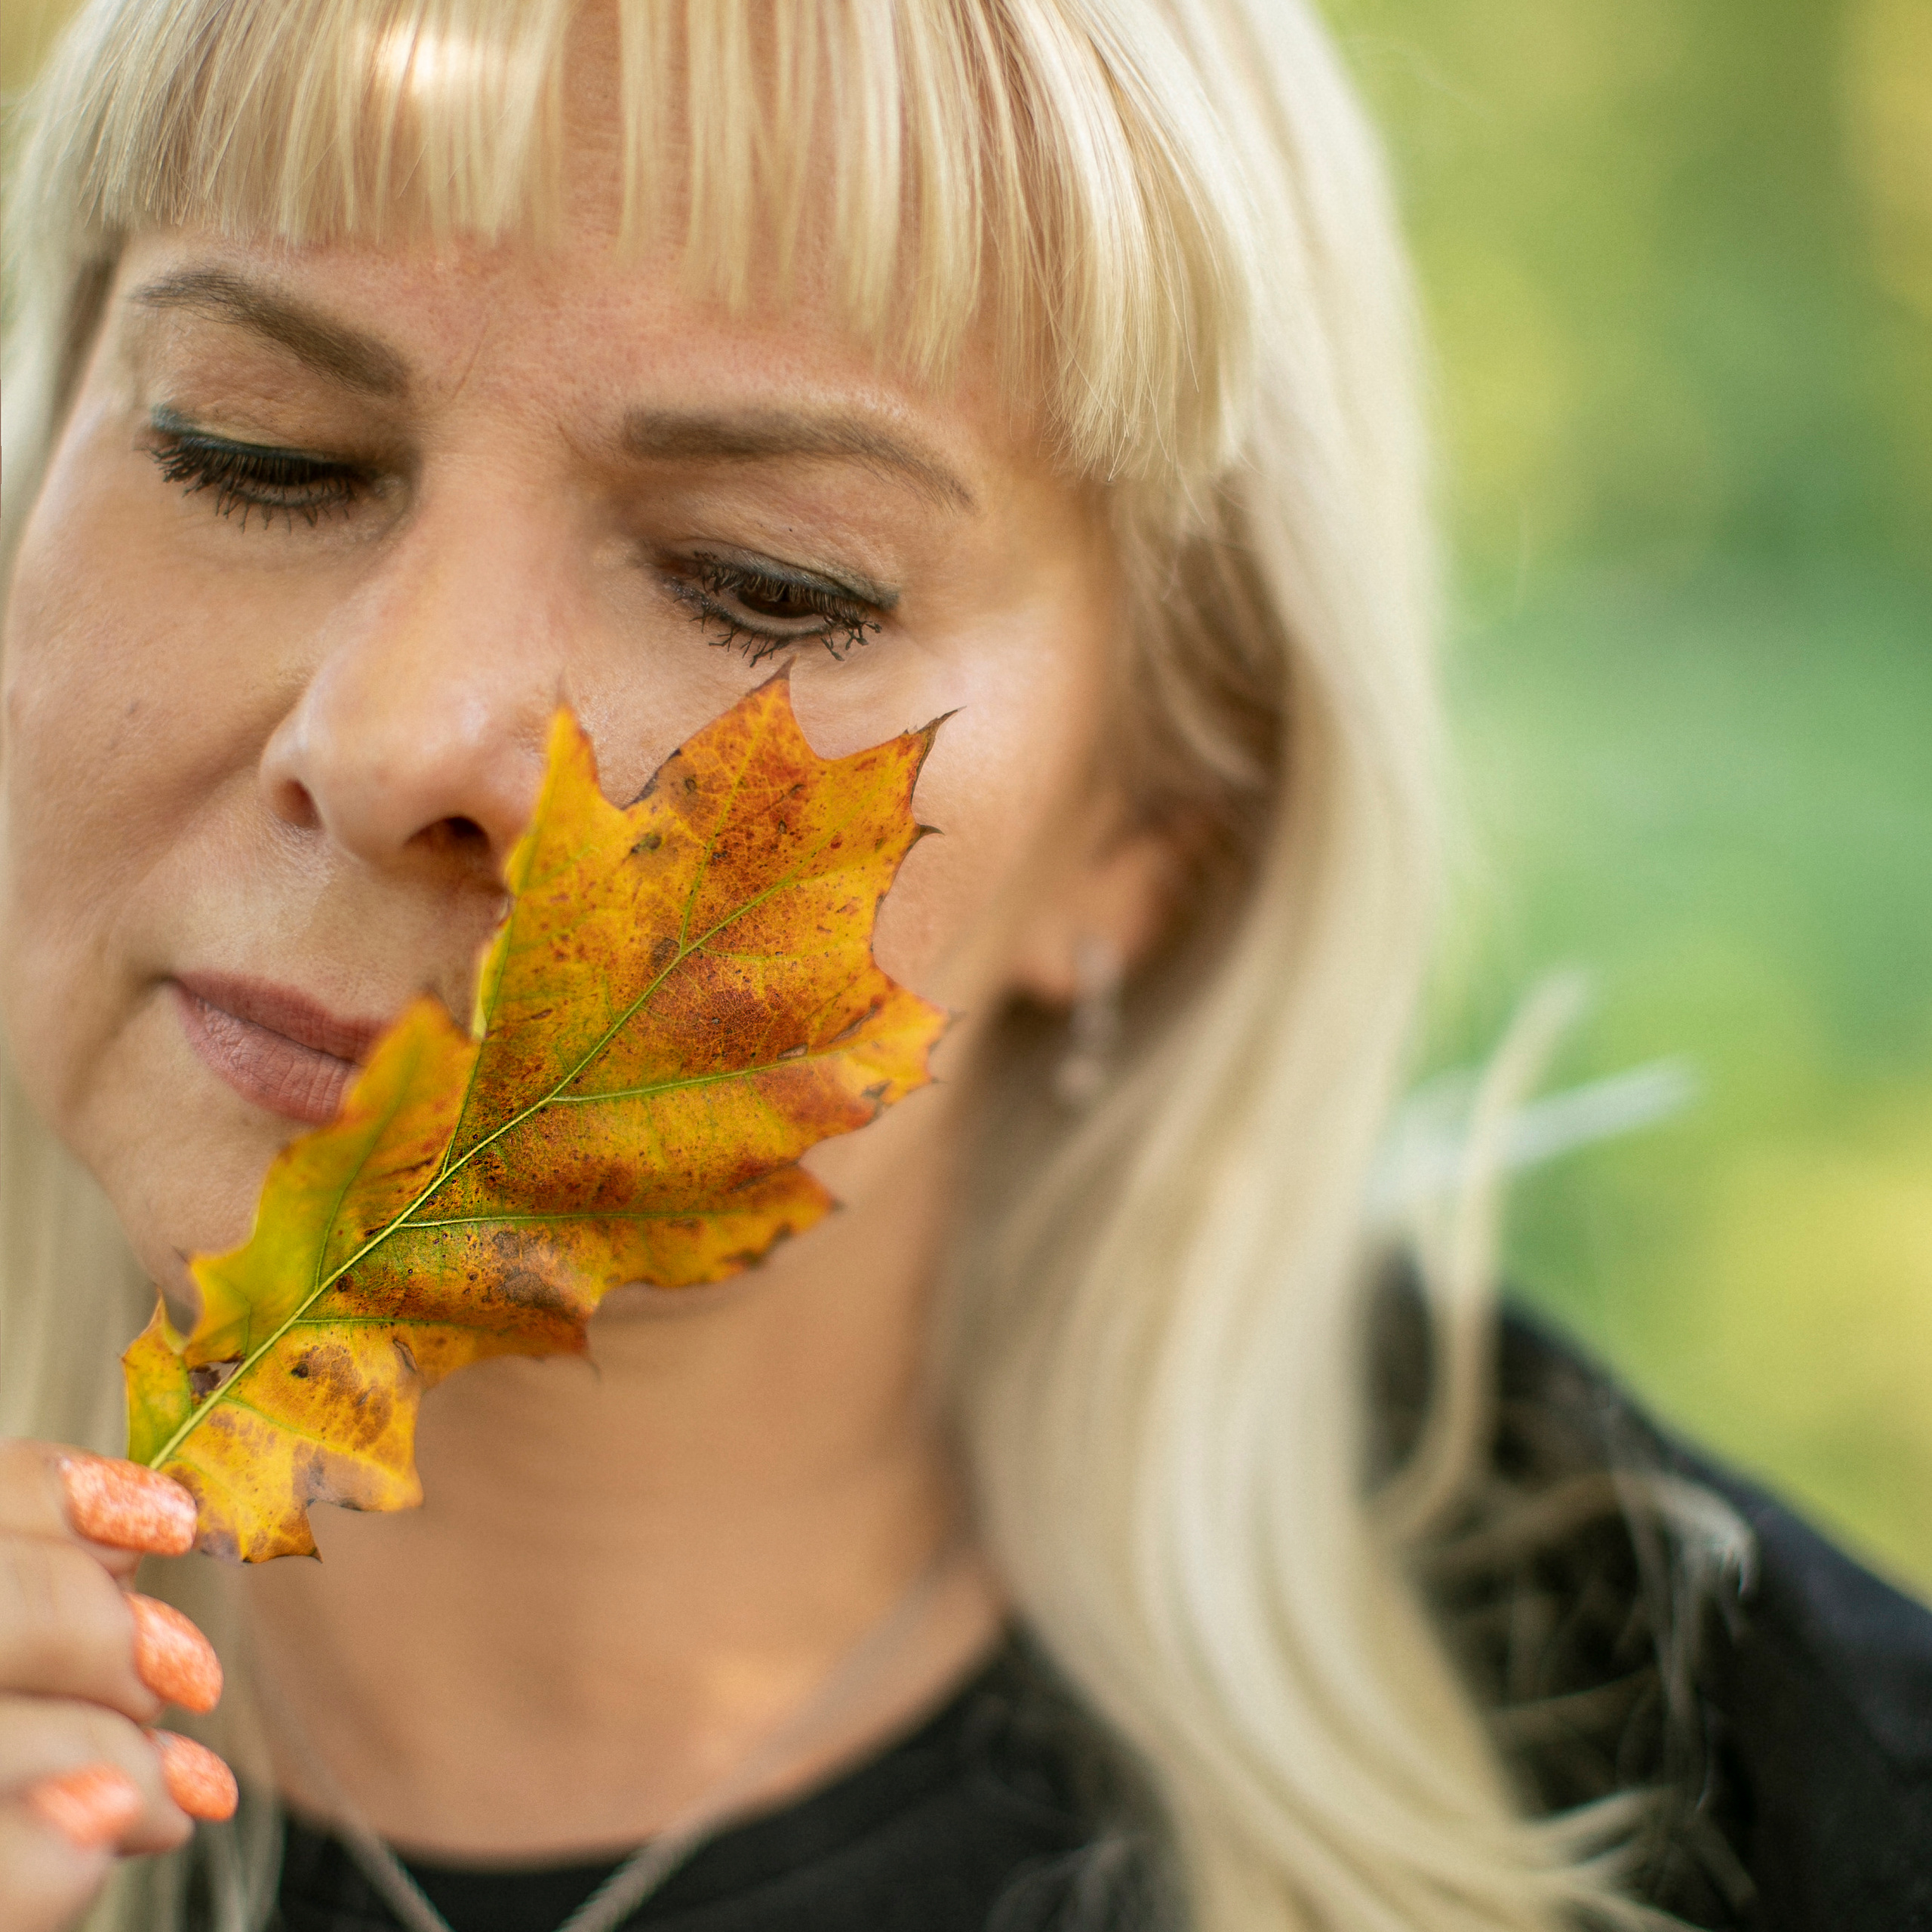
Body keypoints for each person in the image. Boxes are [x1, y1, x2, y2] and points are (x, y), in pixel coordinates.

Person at [2, 4, 1927, 1930]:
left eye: (765, 579)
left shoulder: (1775, 1803)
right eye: (250, 451)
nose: (392, 734)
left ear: (1152, 831)